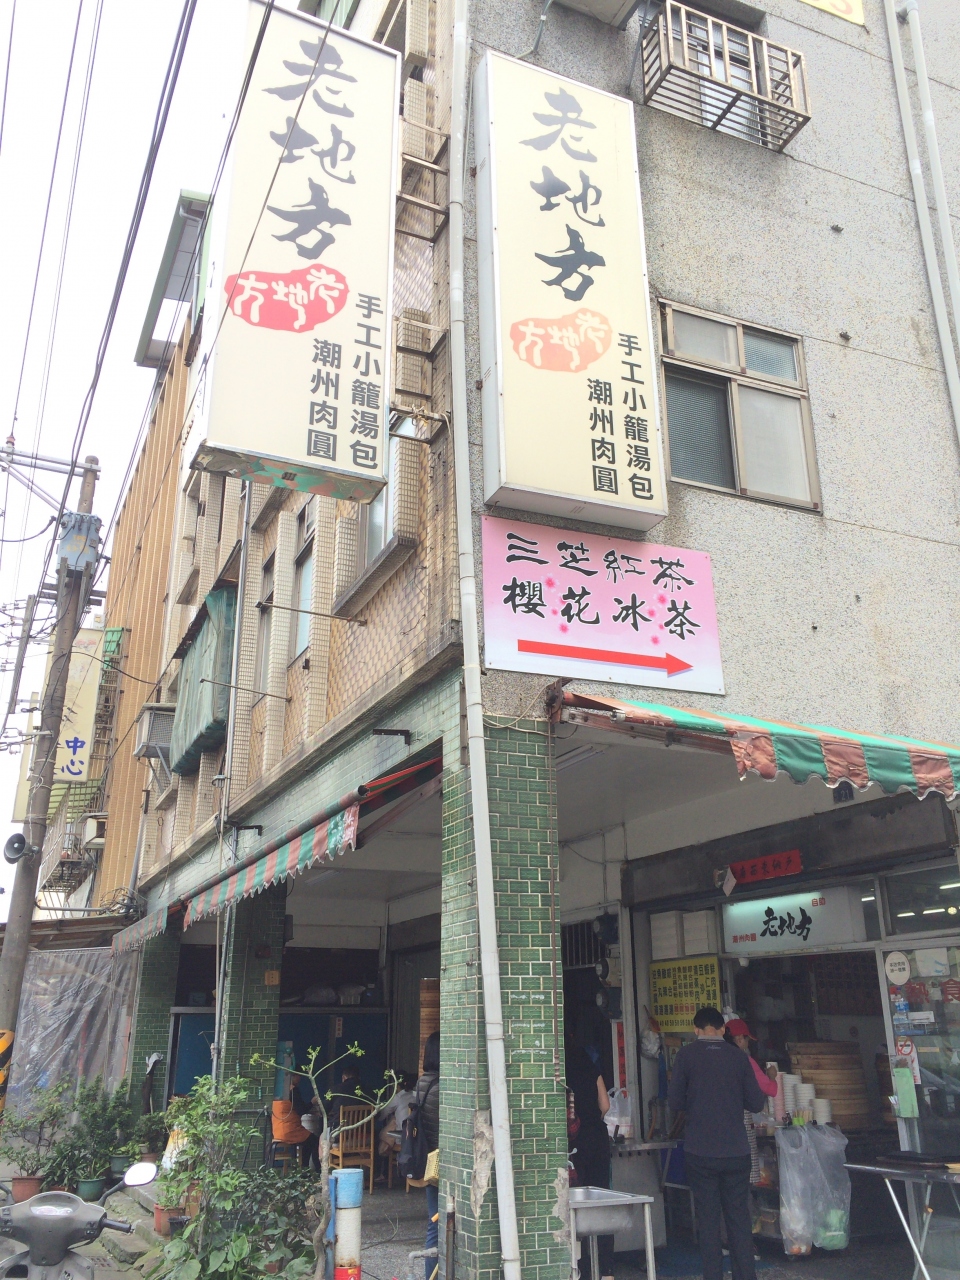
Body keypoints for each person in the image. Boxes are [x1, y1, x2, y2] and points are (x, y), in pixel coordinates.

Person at [668, 1007, 768, 1280]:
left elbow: (675, 1101)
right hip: (736, 1151)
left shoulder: (686, 1056)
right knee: (739, 1220)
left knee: (708, 1222)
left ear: (696, 1030)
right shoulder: (739, 1057)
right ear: (723, 1030)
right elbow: (756, 1103)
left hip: (700, 1152)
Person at [565, 1032, 612, 1280]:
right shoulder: (590, 1067)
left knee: (575, 1204)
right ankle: (606, 1270)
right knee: (602, 1199)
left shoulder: (560, 1073)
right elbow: (605, 1105)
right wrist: (595, 1119)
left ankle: (580, 1267)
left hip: (575, 1142)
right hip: (597, 1139)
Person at [724, 1018, 778, 1187]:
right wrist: (772, 1076)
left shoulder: (717, 1060)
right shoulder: (745, 1061)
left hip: (721, 1128)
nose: (747, 1044)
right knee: (744, 1177)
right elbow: (770, 1090)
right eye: (747, 1040)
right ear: (740, 1039)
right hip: (741, 1123)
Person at [416, 1031, 440, 1280]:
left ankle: (429, 1275)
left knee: (434, 1221)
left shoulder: (421, 1083)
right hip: (442, 1160)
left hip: (429, 1160)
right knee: (441, 1221)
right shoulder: (442, 1087)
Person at [271, 1077, 319, 1170]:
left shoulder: (279, 1091)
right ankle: (307, 1169)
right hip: (290, 1130)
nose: (299, 1080)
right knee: (314, 1141)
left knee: (308, 1140)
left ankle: (301, 1169)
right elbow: (301, 1110)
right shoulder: (293, 1091)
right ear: (292, 1076)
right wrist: (312, 1102)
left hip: (277, 1131)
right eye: (298, 1076)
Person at [376, 1072, 417, 1180]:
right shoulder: (417, 1096)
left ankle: (383, 1173)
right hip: (418, 1137)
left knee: (384, 1140)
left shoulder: (398, 1097)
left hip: (403, 1138)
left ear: (397, 1085)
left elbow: (383, 1114)